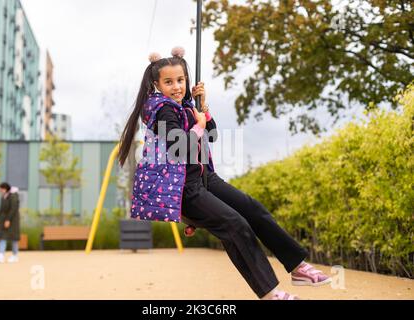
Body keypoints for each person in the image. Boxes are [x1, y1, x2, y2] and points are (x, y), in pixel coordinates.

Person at [117, 47, 331, 300]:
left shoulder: (185, 105)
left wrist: (203, 106)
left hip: (206, 178)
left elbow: (212, 135)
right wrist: (198, 124)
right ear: (156, 84)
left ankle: (297, 267)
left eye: (181, 80)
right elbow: (179, 147)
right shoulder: (161, 109)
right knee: (235, 225)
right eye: (169, 82)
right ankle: (272, 293)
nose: (177, 87)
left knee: (253, 209)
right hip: (183, 188)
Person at [0, 182, 21, 263]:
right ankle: (1, 255)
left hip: (13, 220)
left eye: (1, 189)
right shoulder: (4, 196)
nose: (0, 190)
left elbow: (13, 208)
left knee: (14, 238)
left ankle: (15, 255)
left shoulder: (14, 195)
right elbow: (1, 209)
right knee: (2, 236)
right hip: (3, 220)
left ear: (5, 188)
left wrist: (8, 220)